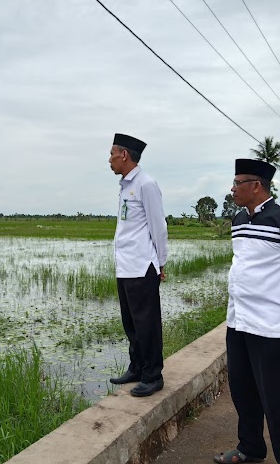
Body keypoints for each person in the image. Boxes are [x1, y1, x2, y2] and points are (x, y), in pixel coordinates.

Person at [214, 159, 280, 464]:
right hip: (238, 323)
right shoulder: (238, 221)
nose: (232, 189)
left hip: (271, 329)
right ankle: (250, 448)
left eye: (237, 183)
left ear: (256, 186)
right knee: (243, 393)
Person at [108, 133, 168, 397]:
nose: (108, 159)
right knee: (130, 323)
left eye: (112, 154)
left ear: (124, 155)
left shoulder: (146, 184)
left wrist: (161, 262)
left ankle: (153, 375)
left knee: (147, 324)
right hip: (125, 266)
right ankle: (137, 367)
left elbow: (159, 227)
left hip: (143, 266)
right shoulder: (125, 186)